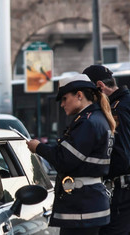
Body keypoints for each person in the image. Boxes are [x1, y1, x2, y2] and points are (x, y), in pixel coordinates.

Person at [27, 73, 116, 235]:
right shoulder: (97, 119)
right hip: (89, 204)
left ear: (79, 95)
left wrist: (38, 147)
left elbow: (65, 160)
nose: (62, 104)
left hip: (82, 208)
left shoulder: (87, 122)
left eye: (65, 98)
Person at [83, 65, 130, 235]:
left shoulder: (118, 109)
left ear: (100, 86)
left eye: (88, 93)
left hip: (121, 191)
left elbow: (121, 156)